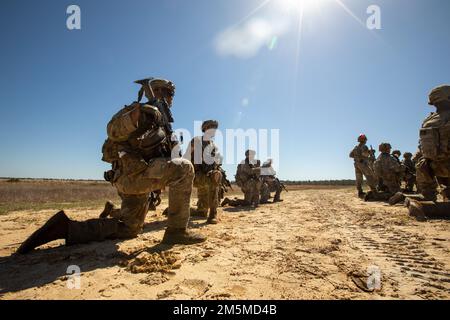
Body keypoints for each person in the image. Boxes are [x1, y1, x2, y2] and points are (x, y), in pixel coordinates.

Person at [17, 78, 206, 254]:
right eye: (170, 93)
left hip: (138, 179)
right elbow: (113, 130)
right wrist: (139, 114)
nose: (172, 98)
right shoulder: (140, 110)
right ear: (159, 92)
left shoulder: (163, 125)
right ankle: (176, 231)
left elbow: (167, 155)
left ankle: (65, 228)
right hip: (132, 175)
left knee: (129, 228)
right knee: (185, 168)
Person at [408, 85, 450, 218]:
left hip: (430, 169)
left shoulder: (428, 121)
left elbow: (421, 150)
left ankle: (425, 204)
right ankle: (427, 208)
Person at [184, 120, 222, 224]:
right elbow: (186, 157)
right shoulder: (196, 141)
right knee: (213, 180)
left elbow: (216, 163)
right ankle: (213, 214)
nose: (214, 130)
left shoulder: (213, 146)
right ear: (205, 129)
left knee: (201, 212)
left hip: (208, 175)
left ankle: (184, 210)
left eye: (215, 128)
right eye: (212, 128)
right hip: (195, 175)